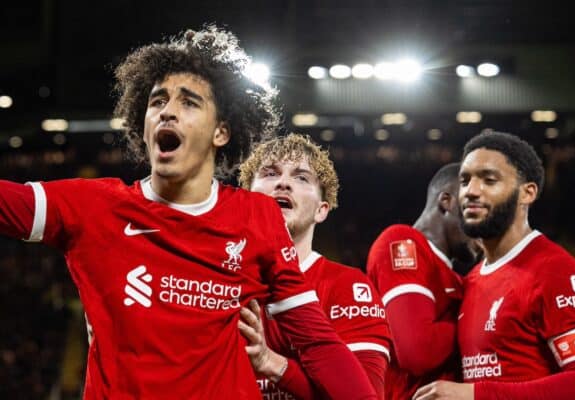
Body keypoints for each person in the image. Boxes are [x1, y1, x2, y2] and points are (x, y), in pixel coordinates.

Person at [0, 26, 377, 399]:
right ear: (142, 126)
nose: (167, 112)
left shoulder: (256, 216)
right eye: (157, 101)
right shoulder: (92, 207)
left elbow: (317, 344)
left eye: (189, 102)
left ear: (221, 133)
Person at [413, 131, 575, 400]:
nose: (471, 191)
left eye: (489, 180)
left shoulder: (556, 272)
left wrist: (476, 395)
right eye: (465, 180)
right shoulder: (473, 279)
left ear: (528, 192)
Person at [238, 133, 391, 398]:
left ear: (322, 210)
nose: (283, 183)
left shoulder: (348, 286)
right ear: (245, 197)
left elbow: (367, 393)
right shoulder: (215, 280)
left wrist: (271, 363)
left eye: (301, 177)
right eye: (270, 174)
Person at [366, 162, 480, 400]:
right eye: (473, 211)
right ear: (447, 201)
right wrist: (478, 322)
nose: (481, 228)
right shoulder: (403, 242)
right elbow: (417, 351)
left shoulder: (459, 281)